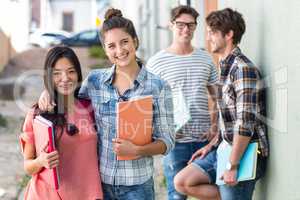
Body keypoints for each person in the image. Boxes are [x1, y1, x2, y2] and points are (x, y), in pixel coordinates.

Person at [39, 8, 175, 200]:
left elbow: (167, 142)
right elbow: (68, 95)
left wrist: (137, 150)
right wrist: (48, 91)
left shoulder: (158, 87)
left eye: (124, 42)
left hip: (137, 188)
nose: (119, 51)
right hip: (99, 185)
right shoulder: (95, 81)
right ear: (105, 49)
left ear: (135, 41)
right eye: (111, 46)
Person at [174, 8, 269, 200]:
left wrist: (232, 166)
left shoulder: (243, 70)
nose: (208, 38)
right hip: (225, 148)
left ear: (228, 34)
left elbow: (244, 125)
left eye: (212, 32)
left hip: (245, 154)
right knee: (182, 181)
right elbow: (229, 117)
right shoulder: (225, 66)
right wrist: (212, 144)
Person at [146, 5, 218, 200]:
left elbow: (218, 97)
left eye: (191, 25)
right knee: (176, 195)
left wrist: (214, 126)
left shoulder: (206, 59)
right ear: (171, 25)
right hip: (175, 143)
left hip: (205, 140)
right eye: (181, 24)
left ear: (195, 27)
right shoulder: (156, 62)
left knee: (208, 191)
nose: (186, 29)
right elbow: (148, 104)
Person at [20, 46, 103, 199]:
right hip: (47, 195)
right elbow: (28, 166)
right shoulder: (38, 114)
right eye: (57, 73)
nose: (65, 78)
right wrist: (40, 161)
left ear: (78, 74)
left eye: (71, 71)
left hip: (88, 194)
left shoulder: (89, 107)